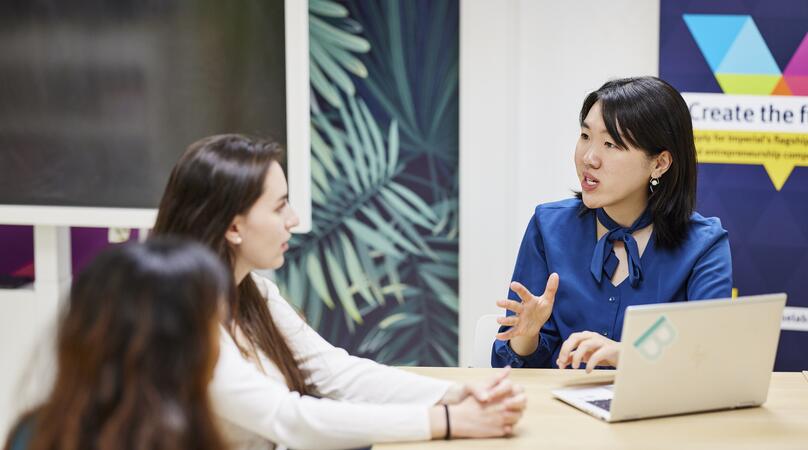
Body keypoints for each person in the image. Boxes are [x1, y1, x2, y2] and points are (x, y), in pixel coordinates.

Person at [151, 134, 526, 450]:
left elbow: (336, 373)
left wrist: (453, 394)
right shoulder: (188, 326)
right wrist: (446, 421)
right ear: (234, 227)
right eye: (280, 207)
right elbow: (291, 419)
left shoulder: (253, 294)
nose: (293, 219)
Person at [492, 76, 732, 372]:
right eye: (585, 136)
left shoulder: (704, 245)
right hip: (562, 413)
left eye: (610, 144)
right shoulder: (548, 226)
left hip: (658, 414)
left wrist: (627, 355)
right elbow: (515, 368)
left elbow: (710, 359)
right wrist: (527, 335)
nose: (589, 158)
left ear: (659, 163)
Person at [3, 238, 231, 450]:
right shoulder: (185, 439)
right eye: (214, 329)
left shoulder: (36, 431)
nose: (220, 348)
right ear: (182, 347)